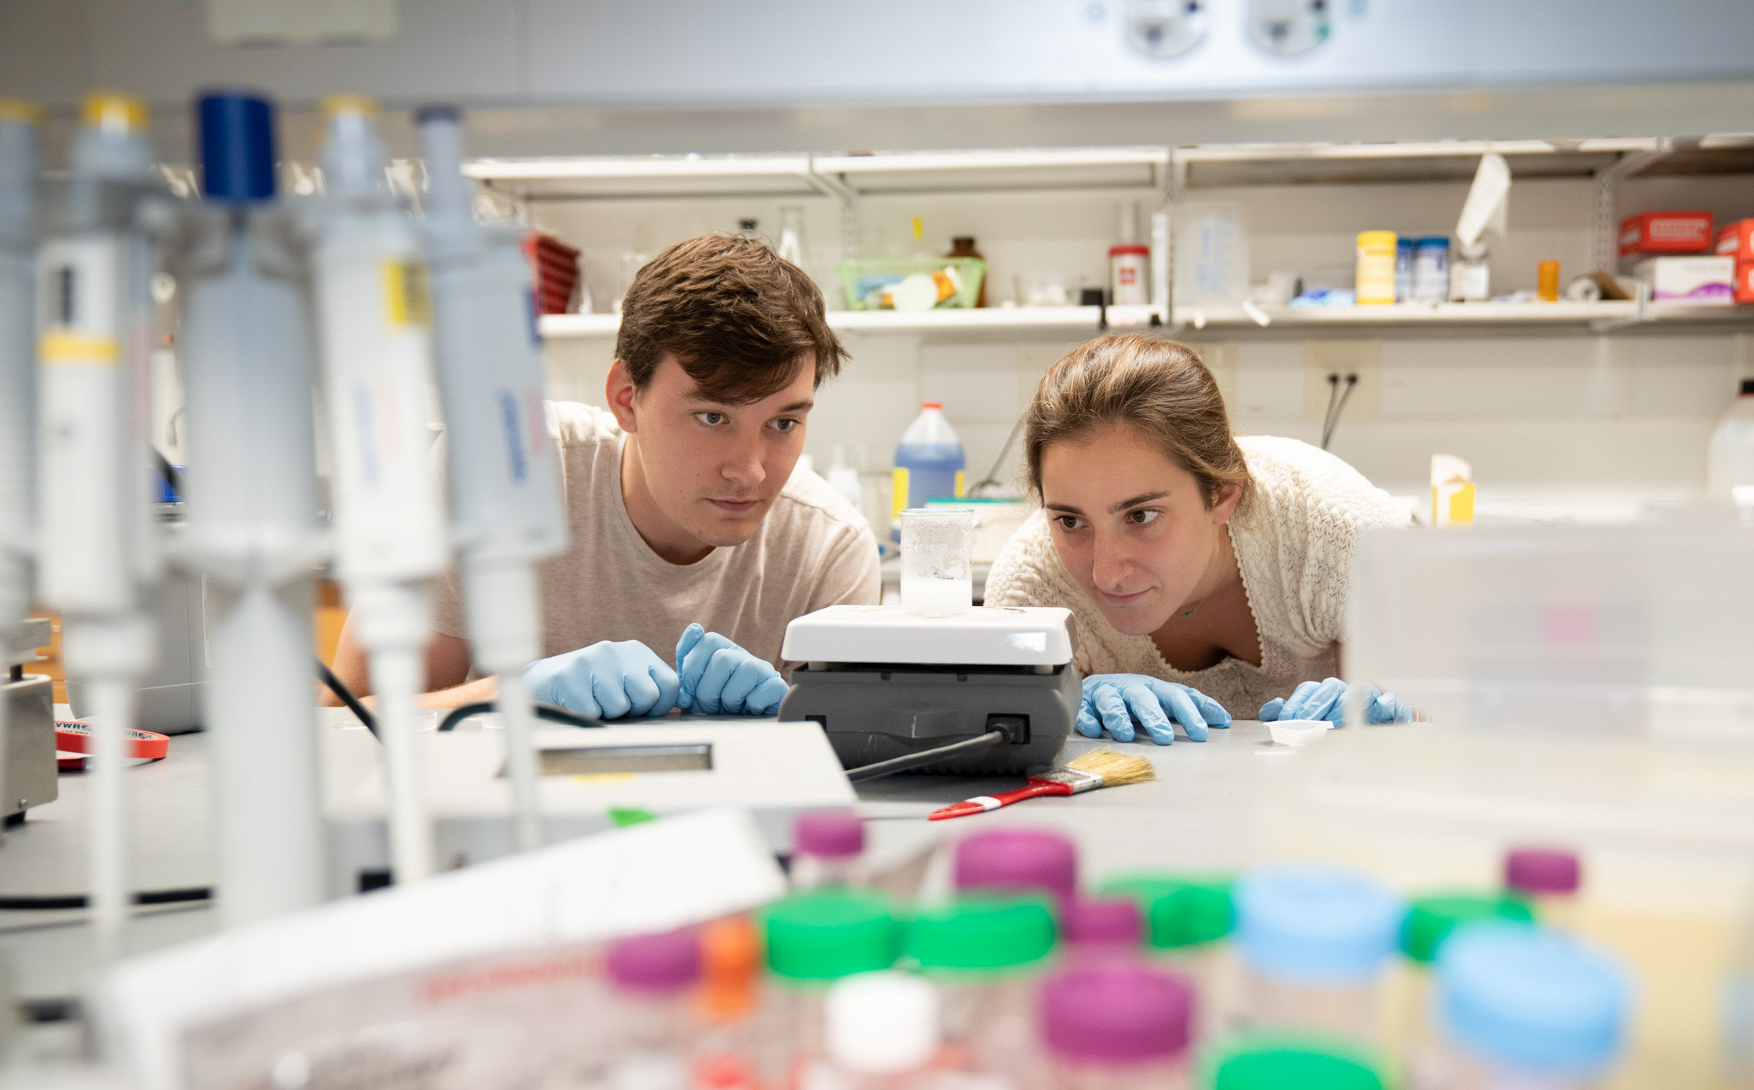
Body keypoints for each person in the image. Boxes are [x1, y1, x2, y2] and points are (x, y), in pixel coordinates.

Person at [328, 234, 879, 719]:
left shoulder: (829, 551)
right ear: (625, 399)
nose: (751, 469)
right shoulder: (498, 473)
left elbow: (857, 776)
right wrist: (510, 697)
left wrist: (783, 722)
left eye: (783, 422)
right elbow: (340, 723)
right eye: (713, 417)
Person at [984, 334, 1411, 745]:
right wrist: (1069, 706)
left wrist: (1405, 715)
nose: (1106, 572)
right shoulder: (1031, 590)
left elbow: (1444, 739)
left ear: (1222, 494)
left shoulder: (1332, 529)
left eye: (1141, 516)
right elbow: (1003, 749)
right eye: (1070, 521)